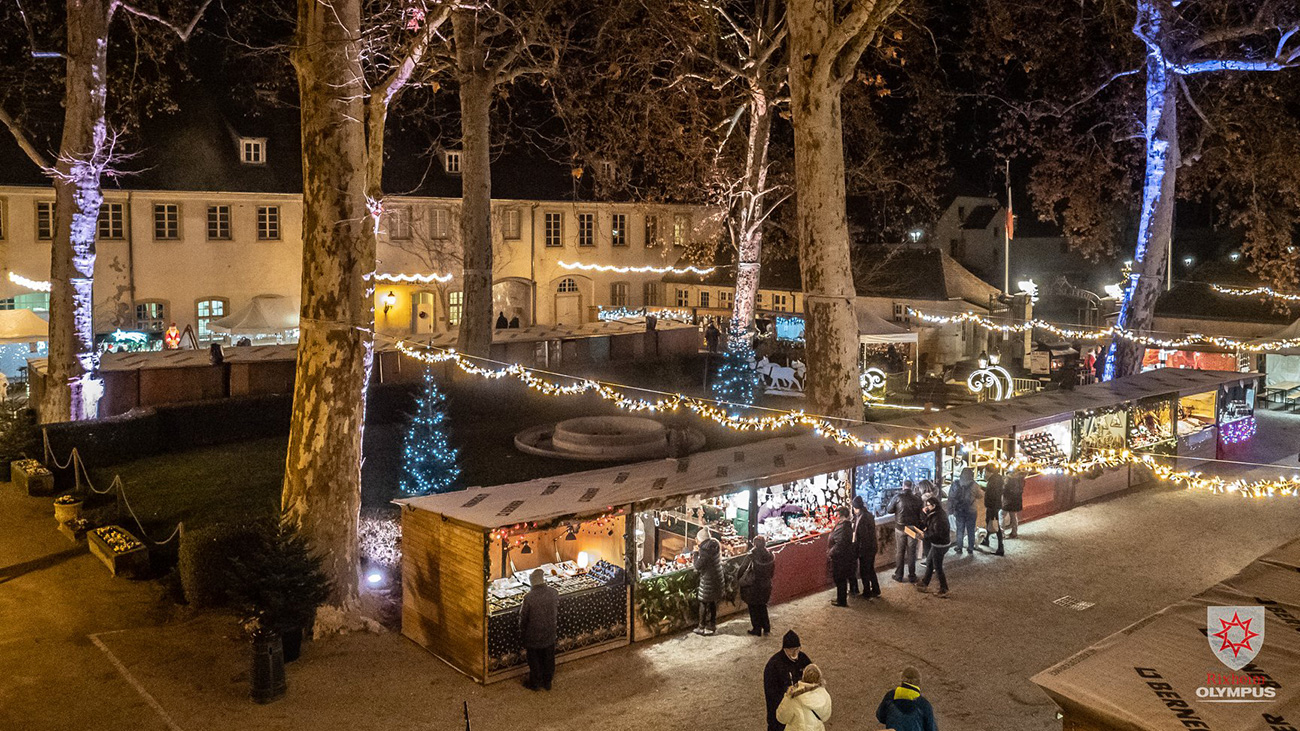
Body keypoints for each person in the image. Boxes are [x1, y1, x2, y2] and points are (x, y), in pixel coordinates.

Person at [518, 568, 559, 691]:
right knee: (548, 657)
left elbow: (523, 617)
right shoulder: (553, 592)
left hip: (533, 634)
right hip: (550, 631)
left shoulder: (529, 598)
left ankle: (535, 683)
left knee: (534, 659)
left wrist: (522, 631)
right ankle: (547, 682)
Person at [764, 630, 812, 731]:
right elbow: (771, 694)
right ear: (784, 649)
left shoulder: (803, 659)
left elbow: (812, 678)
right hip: (781, 713)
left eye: (797, 649)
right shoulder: (773, 665)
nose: (795, 652)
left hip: (800, 712)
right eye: (791, 650)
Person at [876, 666, 939, 731]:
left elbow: (880, 717)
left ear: (902, 679)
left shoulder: (890, 696)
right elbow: (931, 728)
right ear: (918, 682)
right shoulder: (924, 704)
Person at [775, 664, 832, 731]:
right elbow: (825, 717)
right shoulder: (825, 695)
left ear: (803, 676)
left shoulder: (793, 695)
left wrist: (787, 697)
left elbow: (782, 718)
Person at [916, 496, 952, 597]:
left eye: (928, 505)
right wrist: (924, 513)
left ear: (934, 505)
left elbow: (936, 533)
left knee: (938, 566)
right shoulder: (936, 513)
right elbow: (928, 524)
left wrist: (924, 536)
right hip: (937, 543)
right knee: (929, 562)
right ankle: (925, 583)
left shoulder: (938, 518)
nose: (926, 507)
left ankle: (944, 589)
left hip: (940, 545)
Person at [888, 481, 922, 583]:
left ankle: (899, 575)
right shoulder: (917, 499)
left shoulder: (898, 497)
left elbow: (889, 510)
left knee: (900, 552)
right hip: (912, 528)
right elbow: (920, 514)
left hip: (900, 528)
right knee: (911, 552)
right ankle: (912, 576)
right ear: (911, 487)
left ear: (903, 486)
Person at [740, 535, 775, 636]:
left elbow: (743, 568)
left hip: (754, 586)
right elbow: (772, 573)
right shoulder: (770, 555)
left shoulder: (751, 555)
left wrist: (740, 579)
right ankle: (766, 627)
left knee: (753, 607)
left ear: (755, 544)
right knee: (762, 606)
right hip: (766, 585)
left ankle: (757, 628)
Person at [693, 528, 723, 635]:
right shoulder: (715, 545)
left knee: (703, 602)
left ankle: (701, 627)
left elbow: (697, 566)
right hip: (717, 578)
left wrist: (695, 553)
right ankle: (712, 625)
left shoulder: (704, 551)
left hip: (708, 581)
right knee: (712, 603)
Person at [851, 496, 880, 598]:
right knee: (870, 569)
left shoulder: (862, 518)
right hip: (871, 547)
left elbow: (863, 537)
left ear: (855, 507)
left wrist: (859, 551)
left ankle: (867, 592)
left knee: (864, 571)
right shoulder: (867, 515)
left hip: (866, 549)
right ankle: (876, 589)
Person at [948, 468, 979, 556]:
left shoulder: (955, 484)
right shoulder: (974, 485)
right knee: (971, 530)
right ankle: (970, 548)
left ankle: (959, 547)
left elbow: (951, 497)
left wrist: (950, 509)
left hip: (959, 510)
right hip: (971, 511)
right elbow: (980, 495)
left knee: (960, 530)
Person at [827, 507, 855, 606]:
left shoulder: (843, 527)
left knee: (840, 578)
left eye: (837, 515)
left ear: (841, 516)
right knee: (840, 578)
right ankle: (841, 599)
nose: (835, 517)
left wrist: (831, 552)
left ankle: (841, 600)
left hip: (840, 557)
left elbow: (839, 543)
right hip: (842, 555)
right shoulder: (845, 525)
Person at [979, 466, 1005, 556]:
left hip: (992, 506)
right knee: (989, 522)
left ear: (989, 472)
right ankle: (986, 540)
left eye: (985, 471)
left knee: (995, 525)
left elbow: (992, 493)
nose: (984, 473)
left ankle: (1000, 547)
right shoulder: (998, 479)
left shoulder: (993, 481)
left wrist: (982, 487)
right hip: (995, 505)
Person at [1002, 468, 1024, 539]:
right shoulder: (1020, 480)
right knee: (1014, 515)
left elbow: (1004, 490)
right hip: (1017, 501)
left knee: (1001, 515)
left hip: (1009, 501)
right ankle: (1014, 532)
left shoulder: (1009, 480)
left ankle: (1001, 533)